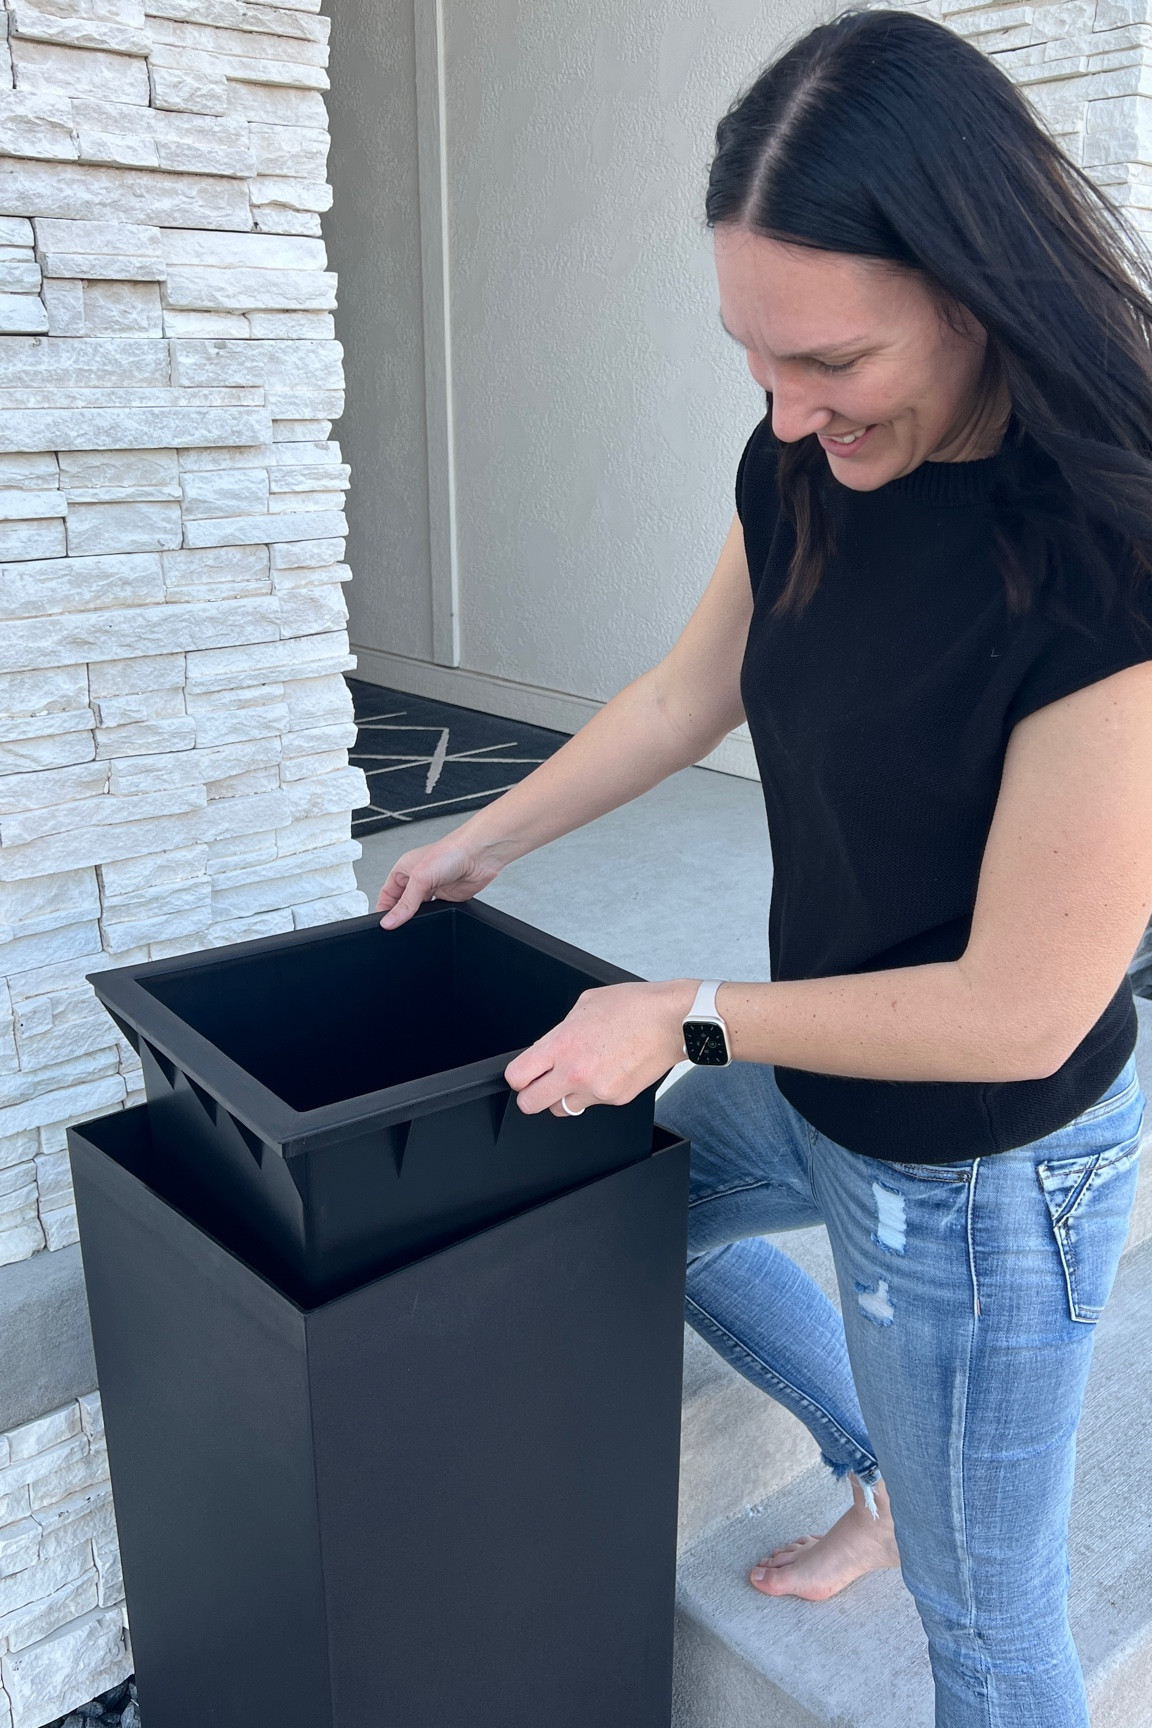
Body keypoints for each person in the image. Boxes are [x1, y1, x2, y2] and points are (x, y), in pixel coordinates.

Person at [375, 8, 1152, 1722]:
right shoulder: (800, 465)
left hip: (990, 1172)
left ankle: (921, 1495)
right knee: (618, 1206)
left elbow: (1025, 1012)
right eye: (755, 359)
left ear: (974, 291)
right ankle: (889, 1462)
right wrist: (474, 844)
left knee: (994, 1634)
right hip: (820, 1057)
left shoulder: (1108, 552)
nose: (790, 414)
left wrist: (694, 1012)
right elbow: (679, 695)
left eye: (834, 365)